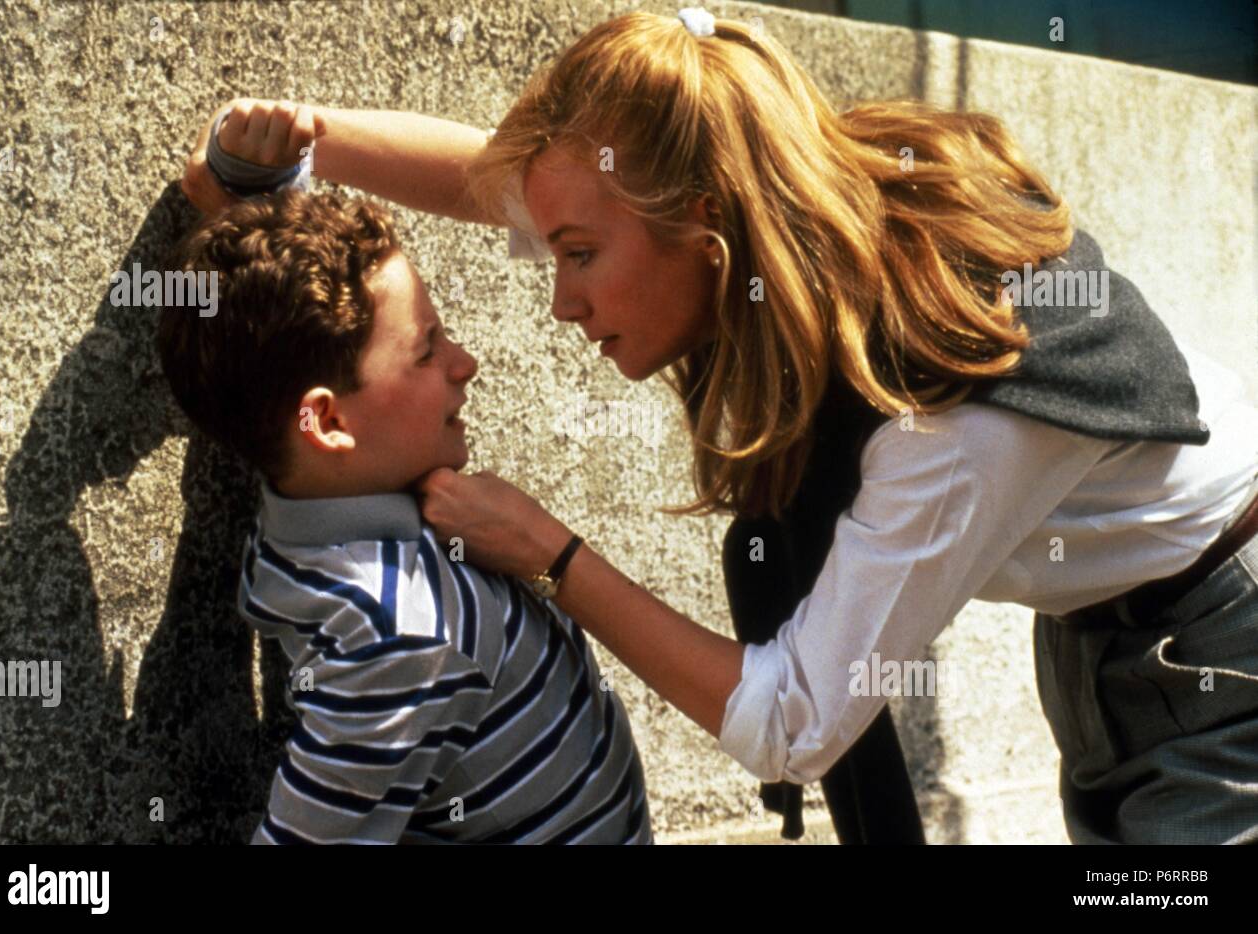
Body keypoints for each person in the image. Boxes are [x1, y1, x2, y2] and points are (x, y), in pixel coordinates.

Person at [181, 11, 1258, 844]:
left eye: (579, 256)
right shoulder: (789, 214)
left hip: (1225, 639)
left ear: (707, 237)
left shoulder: (953, 407)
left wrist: (551, 554)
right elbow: (499, 186)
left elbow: (795, 722)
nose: (558, 298)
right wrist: (299, 145)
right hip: (1105, 636)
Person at [155, 189, 651, 844]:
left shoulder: (311, 510)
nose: (465, 365)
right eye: (426, 350)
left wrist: (242, 180)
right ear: (328, 422)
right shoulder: (401, 638)